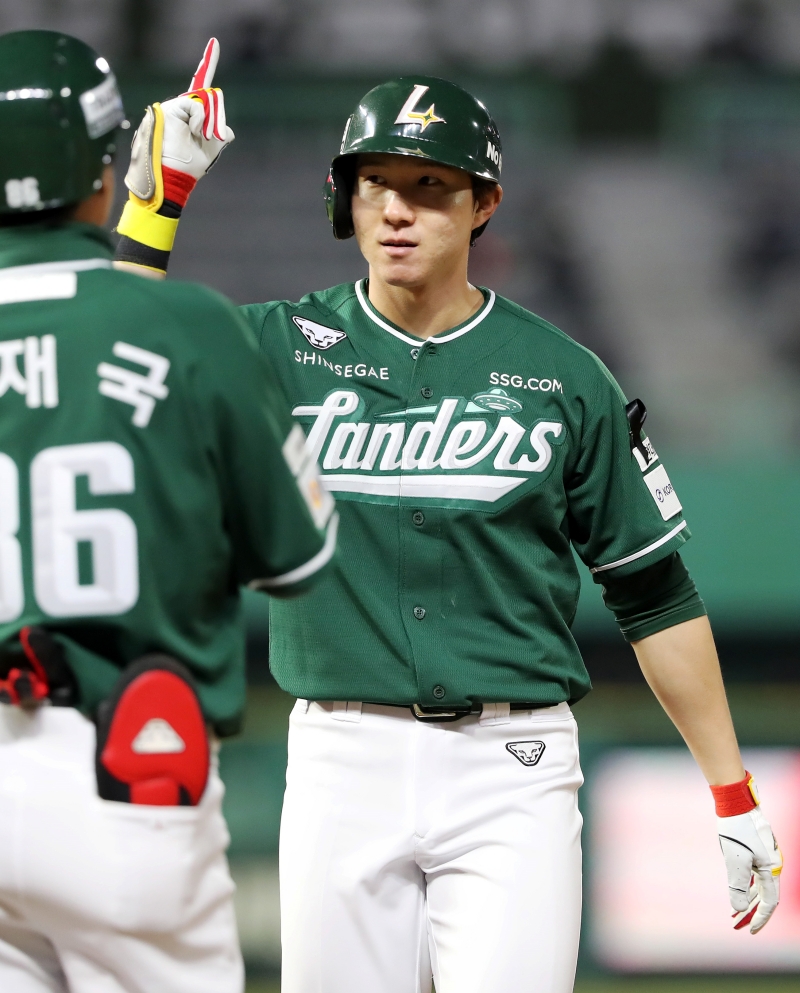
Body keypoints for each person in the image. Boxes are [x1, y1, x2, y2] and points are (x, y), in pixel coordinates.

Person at [116, 46, 782, 993]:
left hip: (512, 765)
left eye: (429, 186)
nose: (397, 210)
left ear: (484, 204)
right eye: (375, 184)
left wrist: (733, 791)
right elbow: (120, 362)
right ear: (345, 201)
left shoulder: (564, 377)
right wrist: (156, 205)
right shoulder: (277, 348)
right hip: (340, 753)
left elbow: (655, 593)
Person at [0, 30, 337, 993]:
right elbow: (299, 554)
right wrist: (155, 213)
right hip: (124, 770)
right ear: (104, 171)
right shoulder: (191, 328)